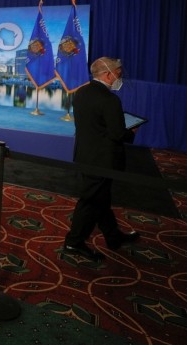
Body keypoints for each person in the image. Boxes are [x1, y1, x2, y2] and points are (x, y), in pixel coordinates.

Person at [63, 57, 141, 261]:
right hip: (102, 160)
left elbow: (94, 125)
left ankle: (113, 237)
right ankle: (73, 242)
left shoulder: (81, 92)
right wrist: (132, 132)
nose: (120, 76)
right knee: (90, 201)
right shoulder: (110, 99)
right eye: (119, 72)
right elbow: (117, 133)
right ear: (108, 74)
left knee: (101, 199)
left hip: (85, 155)